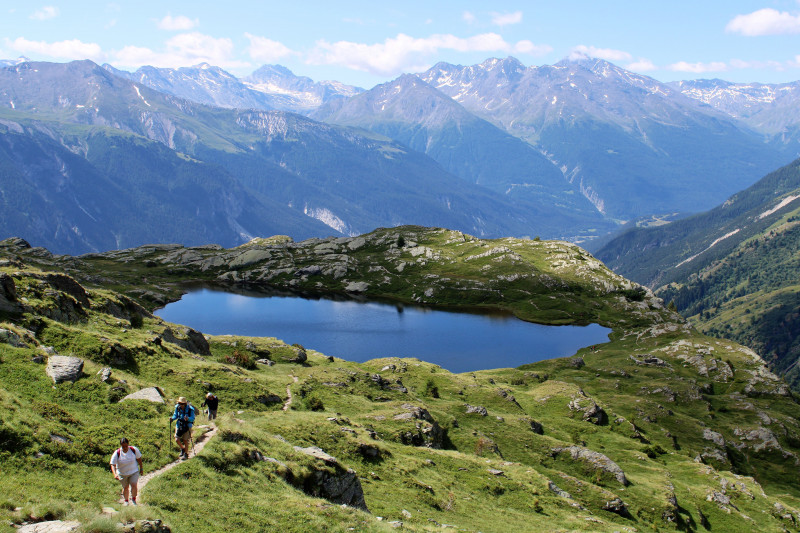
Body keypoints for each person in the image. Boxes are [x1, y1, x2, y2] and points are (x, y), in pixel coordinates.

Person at [109, 437, 143, 506]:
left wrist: (141, 468)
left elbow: (139, 459)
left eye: (126, 446)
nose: (124, 447)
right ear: (121, 445)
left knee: (134, 484)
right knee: (125, 487)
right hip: (122, 473)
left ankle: (133, 499)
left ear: (128, 444)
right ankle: (126, 501)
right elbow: (112, 464)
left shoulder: (133, 450)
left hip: (134, 472)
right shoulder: (117, 453)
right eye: (123, 446)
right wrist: (115, 474)